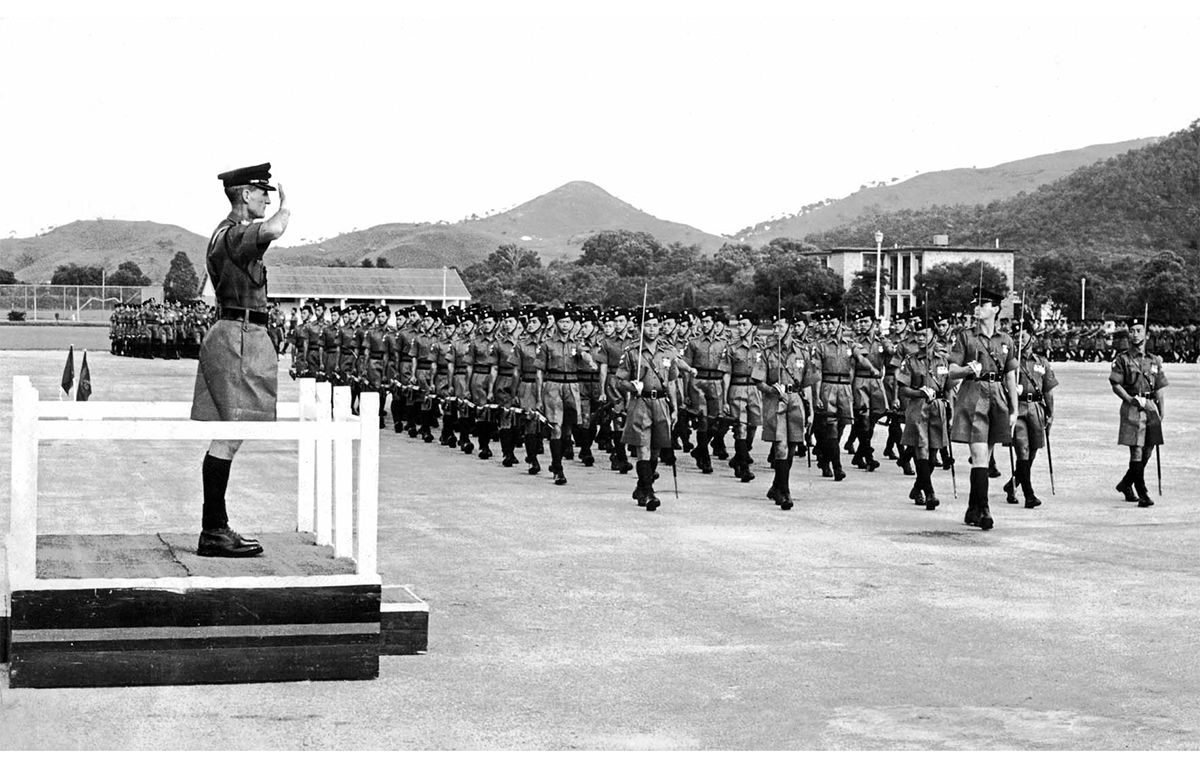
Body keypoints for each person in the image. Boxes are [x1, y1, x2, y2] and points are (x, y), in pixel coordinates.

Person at [190, 162, 289, 558]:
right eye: (261, 191)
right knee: (230, 436)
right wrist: (288, 206)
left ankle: (215, 526)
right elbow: (274, 229)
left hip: (240, 334)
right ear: (244, 195)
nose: (267, 197)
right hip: (239, 338)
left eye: (270, 192)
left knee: (229, 436)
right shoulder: (234, 234)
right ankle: (213, 530)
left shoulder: (225, 234)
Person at [947, 287, 1018, 530]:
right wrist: (968, 369)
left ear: (996, 309)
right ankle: (984, 509)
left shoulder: (1006, 340)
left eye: (984, 304)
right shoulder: (965, 337)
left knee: (985, 457)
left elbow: (1010, 377)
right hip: (973, 393)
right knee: (978, 454)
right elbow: (952, 370)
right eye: (976, 304)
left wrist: (1014, 409)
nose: (978, 308)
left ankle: (972, 507)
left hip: (997, 396)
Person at [615, 307, 683, 511]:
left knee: (655, 449)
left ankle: (642, 487)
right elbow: (620, 380)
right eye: (647, 325)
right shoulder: (632, 352)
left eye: (655, 325)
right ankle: (649, 493)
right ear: (639, 327)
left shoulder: (668, 351)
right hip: (641, 402)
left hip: (661, 402)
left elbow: (671, 381)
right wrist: (632, 386)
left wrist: (675, 407)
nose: (652, 329)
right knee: (642, 447)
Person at [751, 309, 816, 511]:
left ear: (789, 326)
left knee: (793, 445)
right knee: (780, 446)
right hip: (777, 400)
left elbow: (807, 383)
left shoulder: (802, 351)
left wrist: (811, 409)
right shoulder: (768, 352)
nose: (776, 330)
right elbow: (757, 381)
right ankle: (785, 492)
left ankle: (776, 485)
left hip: (796, 400)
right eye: (774, 326)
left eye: (780, 326)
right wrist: (771, 389)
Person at [895, 310, 952, 511]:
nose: (919, 339)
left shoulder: (944, 359)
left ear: (934, 337)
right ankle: (930, 494)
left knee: (934, 450)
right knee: (921, 449)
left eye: (924, 335)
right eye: (917, 335)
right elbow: (903, 388)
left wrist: (950, 409)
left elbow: (949, 386)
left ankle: (917, 487)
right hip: (918, 408)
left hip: (938, 407)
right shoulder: (910, 360)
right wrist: (919, 393)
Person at [1110, 314, 1167, 507]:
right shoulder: (1123, 359)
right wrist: (1128, 399)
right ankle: (1142, 493)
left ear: (1147, 334)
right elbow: (1115, 383)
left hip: (1150, 407)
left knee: (1148, 450)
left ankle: (1126, 483)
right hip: (1132, 407)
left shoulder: (1154, 360)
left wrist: (1161, 409)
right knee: (1136, 450)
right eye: (1132, 331)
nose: (1135, 335)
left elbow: (1159, 386)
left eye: (1139, 331)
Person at [1003, 311, 1058, 508]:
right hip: (1018, 408)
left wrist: (1051, 414)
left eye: (1023, 337)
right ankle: (1029, 494)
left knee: (1033, 451)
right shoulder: (1011, 362)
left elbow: (1049, 390)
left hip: (1036, 407)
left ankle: (1013, 484)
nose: (1019, 341)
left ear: (1031, 338)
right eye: (1016, 338)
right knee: (1022, 450)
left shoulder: (1041, 362)